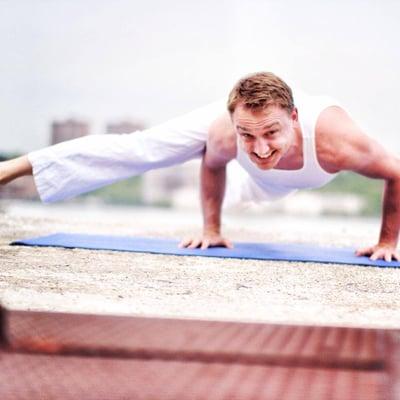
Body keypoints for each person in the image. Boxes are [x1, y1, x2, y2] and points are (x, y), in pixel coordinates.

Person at [1, 72, 399, 261]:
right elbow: (213, 164)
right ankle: (12, 168)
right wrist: (211, 230)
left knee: (248, 191)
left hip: (273, 183)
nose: (260, 149)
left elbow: (395, 174)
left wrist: (387, 241)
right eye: (248, 135)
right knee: (142, 148)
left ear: (294, 118)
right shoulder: (227, 131)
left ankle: (247, 181)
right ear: (234, 123)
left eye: (271, 133)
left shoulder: (339, 142)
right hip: (227, 139)